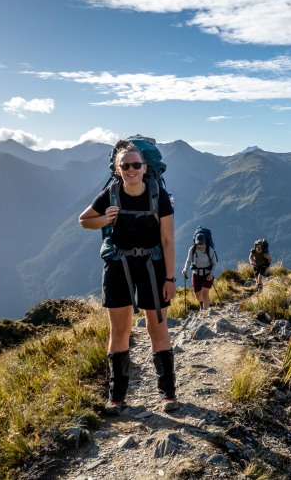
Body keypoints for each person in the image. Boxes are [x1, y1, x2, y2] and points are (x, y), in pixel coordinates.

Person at [79, 139, 178, 415]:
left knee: (157, 329)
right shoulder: (110, 194)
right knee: (119, 331)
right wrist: (105, 219)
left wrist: (170, 279)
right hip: (118, 266)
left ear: (145, 167)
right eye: (125, 166)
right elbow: (84, 220)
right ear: (117, 169)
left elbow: (168, 240)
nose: (131, 169)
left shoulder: (158, 196)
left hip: (153, 267)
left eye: (136, 165)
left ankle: (168, 393)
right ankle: (116, 397)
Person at [181, 232, 219, 311]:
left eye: (201, 244)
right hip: (196, 274)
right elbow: (188, 261)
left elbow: (215, 263)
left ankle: (206, 311)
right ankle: (202, 303)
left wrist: (212, 274)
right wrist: (185, 269)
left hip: (207, 274)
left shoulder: (209, 250)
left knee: (205, 292)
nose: (199, 245)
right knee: (197, 294)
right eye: (198, 244)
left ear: (204, 242)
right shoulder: (192, 249)